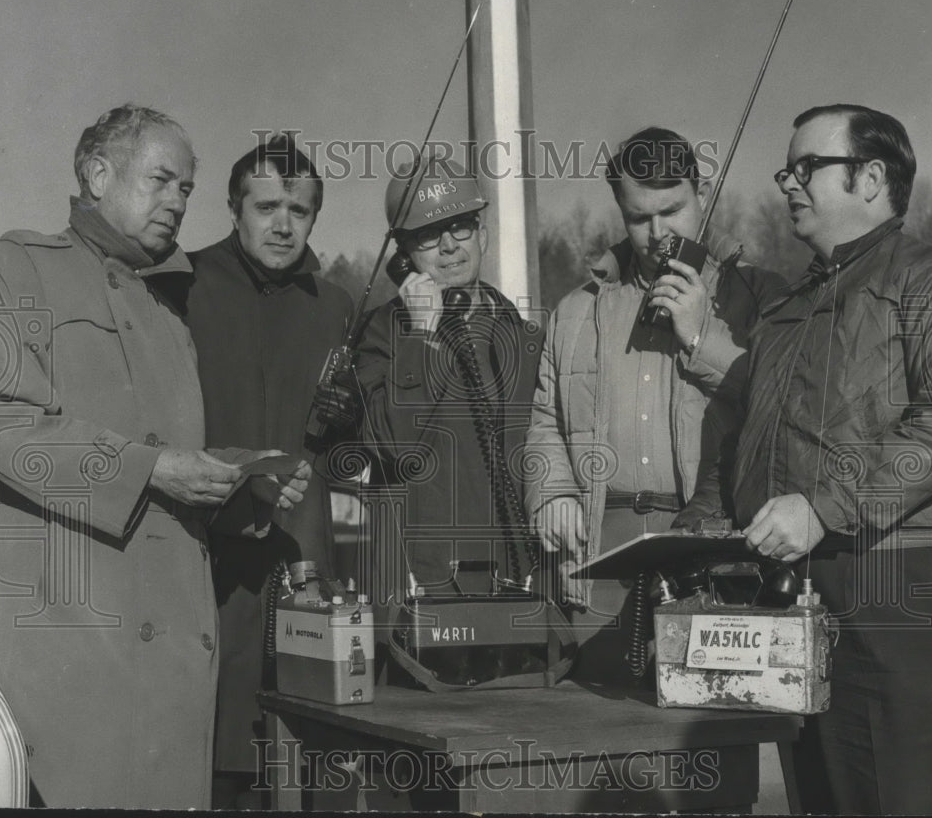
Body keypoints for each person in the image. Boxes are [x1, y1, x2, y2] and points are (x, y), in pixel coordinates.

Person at [0, 105, 308, 809]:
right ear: (98, 174)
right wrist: (150, 468)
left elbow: (178, 482)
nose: (177, 202)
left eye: (186, 189)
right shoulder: (18, 265)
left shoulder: (171, 313)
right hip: (67, 666)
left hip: (176, 685)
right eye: (161, 180)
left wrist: (246, 492)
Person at [732, 104, 932, 815]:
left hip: (902, 592)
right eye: (787, 170)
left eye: (808, 167)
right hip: (802, 597)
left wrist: (826, 508)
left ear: (872, 177)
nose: (789, 184)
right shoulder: (789, 307)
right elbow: (751, 440)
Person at [523, 127, 764, 684]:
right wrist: (551, 490)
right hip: (599, 547)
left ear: (701, 193)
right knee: (603, 731)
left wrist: (702, 334)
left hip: (704, 541)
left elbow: (773, 405)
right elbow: (545, 421)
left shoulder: (751, 298)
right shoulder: (575, 310)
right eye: (638, 218)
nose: (657, 233)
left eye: (673, 210)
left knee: (704, 723)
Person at [184, 132, 355, 809]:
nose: (284, 224)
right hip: (211, 555)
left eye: (301, 210)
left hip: (303, 560)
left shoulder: (336, 304)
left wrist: (349, 416)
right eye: (267, 206)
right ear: (234, 207)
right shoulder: (184, 285)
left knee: (307, 748)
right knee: (222, 752)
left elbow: (351, 453)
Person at [354, 156, 543, 604]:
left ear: (483, 233)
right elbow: (391, 444)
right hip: (423, 584)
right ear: (403, 256)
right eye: (427, 236)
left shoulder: (529, 340)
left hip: (519, 576)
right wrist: (422, 338)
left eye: (460, 226)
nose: (449, 247)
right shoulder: (380, 335)